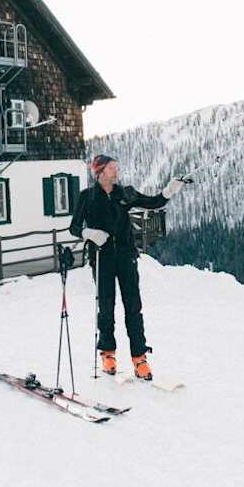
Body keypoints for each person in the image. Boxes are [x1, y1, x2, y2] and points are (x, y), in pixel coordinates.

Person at [69, 154, 186, 380]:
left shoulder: (126, 193)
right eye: (113, 168)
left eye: (117, 167)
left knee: (133, 306)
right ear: (100, 172)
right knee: (106, 305)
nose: (117, 171)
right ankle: (108, 353)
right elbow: (74, 226)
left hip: (125, 256)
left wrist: (170, 190)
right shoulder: (87, 197)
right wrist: (89, 234)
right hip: (101, 257)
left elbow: (154, 202)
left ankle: (139, 358)